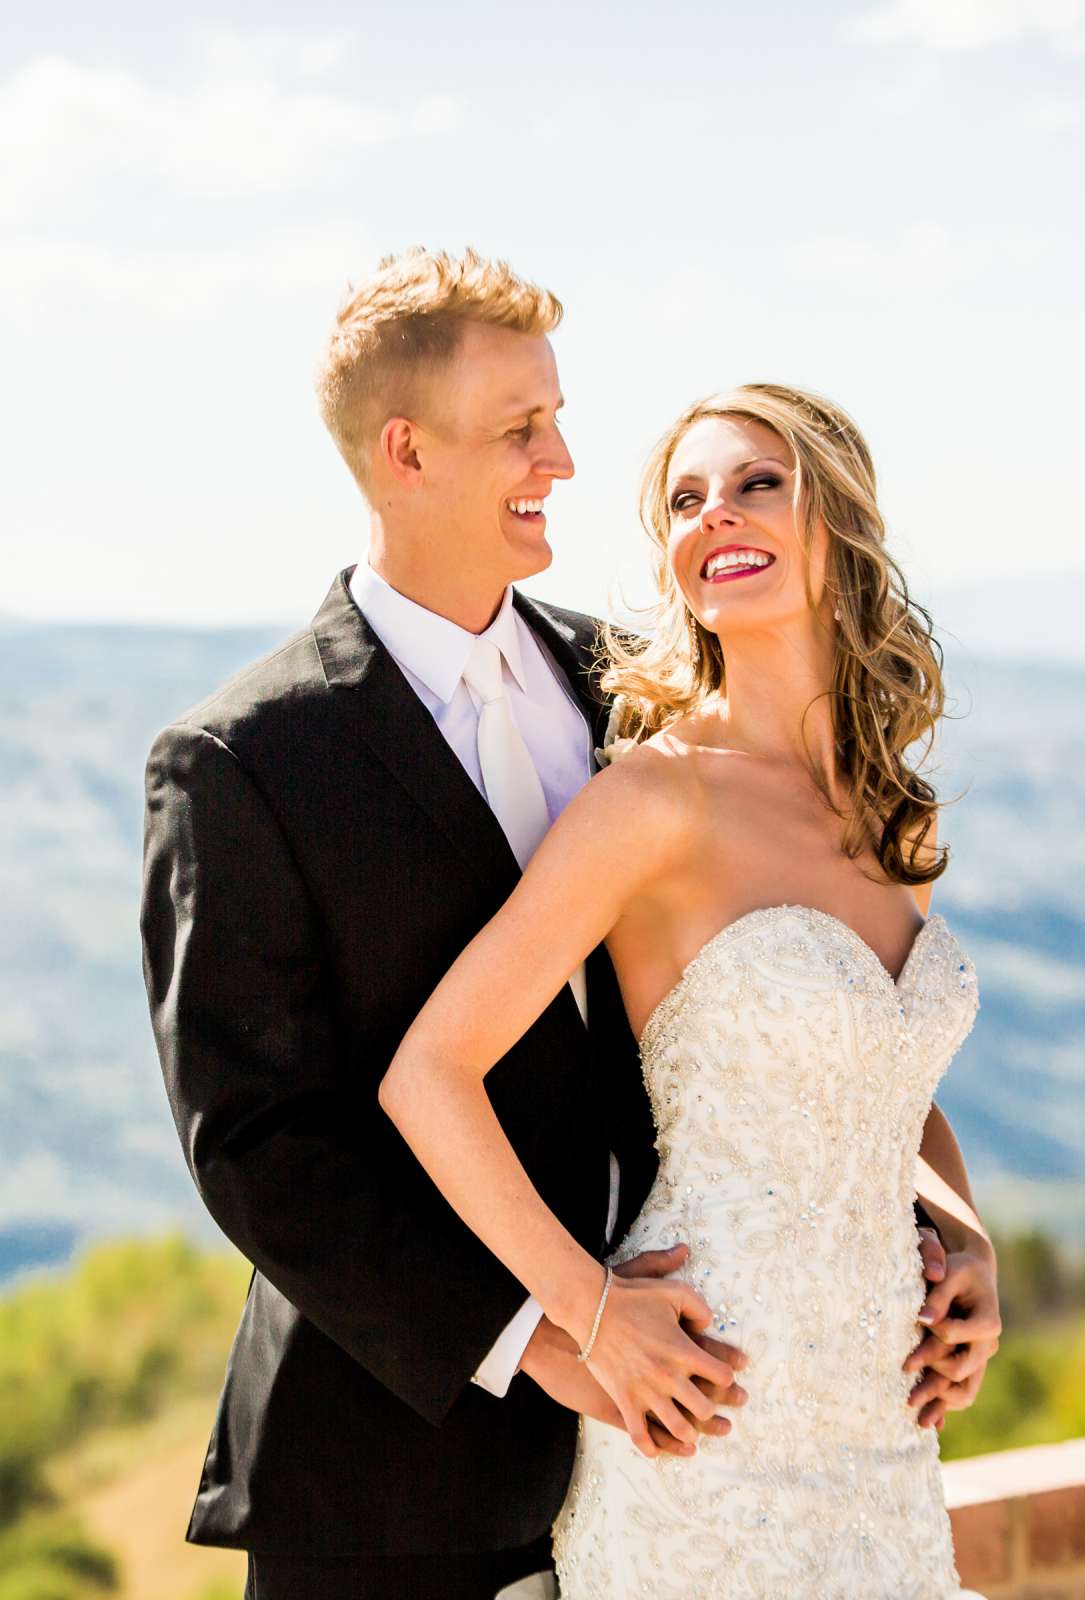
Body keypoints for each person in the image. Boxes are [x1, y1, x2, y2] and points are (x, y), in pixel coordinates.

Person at [141, 249, 994, 1600]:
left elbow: (808, 1064)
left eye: (559, 415)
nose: (567, 459)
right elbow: (258, 1148)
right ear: (408, 450)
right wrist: (554, 1331)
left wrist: (956, 1238)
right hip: (400, 1467)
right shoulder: (242, 757)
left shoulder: (631, 691)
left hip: (716, 1406)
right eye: (523, 429)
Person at [379, 380, 1000, 1595]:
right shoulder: (654, 800)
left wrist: (968, 1240)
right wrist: (591, 1308)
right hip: (706, 1400)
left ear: (840, 522)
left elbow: (886, 1088)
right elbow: (427, 1076)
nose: (717, 513)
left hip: (884, 1420)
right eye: (685, 499)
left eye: (758, 482)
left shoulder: (895, 815)